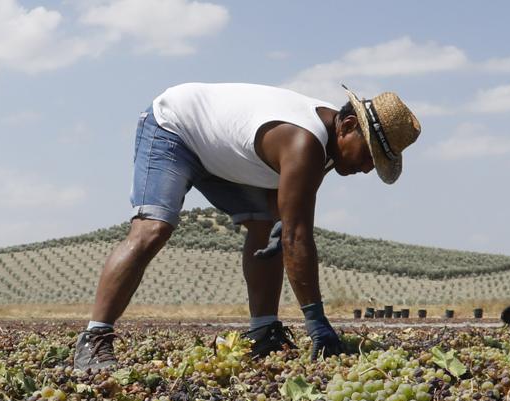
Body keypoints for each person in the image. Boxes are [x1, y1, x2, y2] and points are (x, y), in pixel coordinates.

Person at [73, 82, 420, 371]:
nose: (366, 168)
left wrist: (282, 225)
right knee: (153, 228)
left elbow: (288, 220)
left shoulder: (327, 145)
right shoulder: (304, 142)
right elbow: (298, 237)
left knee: (266, 228)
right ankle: (94, 338)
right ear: (347, 126)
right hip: (174, 129)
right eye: (368, 154)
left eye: (376, 163)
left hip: (222, 155)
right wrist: (316, 323)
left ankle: (263, 332)